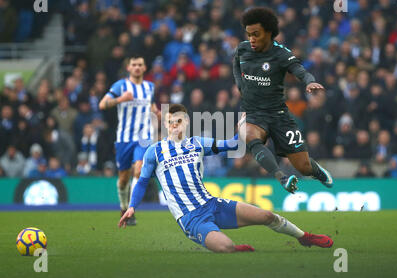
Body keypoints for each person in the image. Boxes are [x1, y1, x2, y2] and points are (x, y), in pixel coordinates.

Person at [119, 104, 333, 253]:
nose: (175, 125)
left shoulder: (197, 143)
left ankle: (304, 237)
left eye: (179, 121)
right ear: (166, 125)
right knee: (226, 248)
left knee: (267, 216)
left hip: (213, 204)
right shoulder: (154, 152)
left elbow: (231, 145)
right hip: (191, 219)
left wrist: (241, 127)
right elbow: (142, 181)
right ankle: (234, 249)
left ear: (185, 123)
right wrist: (132, 206)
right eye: (171, 122)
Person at [232, 7, 333, 193]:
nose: (251, 39)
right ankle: (282, 178)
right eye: (248, 34)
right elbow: (236, 66)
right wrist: (240, 86)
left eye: (256, 34)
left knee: (303, 166)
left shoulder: (281, 54)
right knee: (248, 135)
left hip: (279, 116)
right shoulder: (242, 49)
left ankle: (317, 171)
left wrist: (310, 82)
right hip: (254, 113)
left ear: (269, 33)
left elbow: (301, 71)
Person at [99, 55, 160, 225]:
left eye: (140, 64)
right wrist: (120, 99)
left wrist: (160, 114)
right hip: (124, 138)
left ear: (145, 67)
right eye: (134, 65)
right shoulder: (120, 86)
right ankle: (123, 206)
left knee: (139, 169)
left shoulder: (149, 87)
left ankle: (131, 210)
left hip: (143, 137)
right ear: (128, 68)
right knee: (123, 179)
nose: (137, 67)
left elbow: (152, 107)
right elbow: (102, 104)